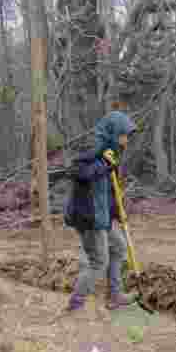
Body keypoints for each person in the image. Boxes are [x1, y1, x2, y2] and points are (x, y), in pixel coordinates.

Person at [63, 110, 138, 312]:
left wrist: (118, 212)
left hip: (102, 214)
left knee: (119, 247)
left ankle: (115, 296)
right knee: (99, 262)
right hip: (89, 216)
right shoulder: (93, 147)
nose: (126, 141)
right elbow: (77, 172)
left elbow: (109, 189)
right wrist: (103, 163)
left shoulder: (111, 152)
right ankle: (75, 306)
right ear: (114, 133)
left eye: (128, 137)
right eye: (124, 136)